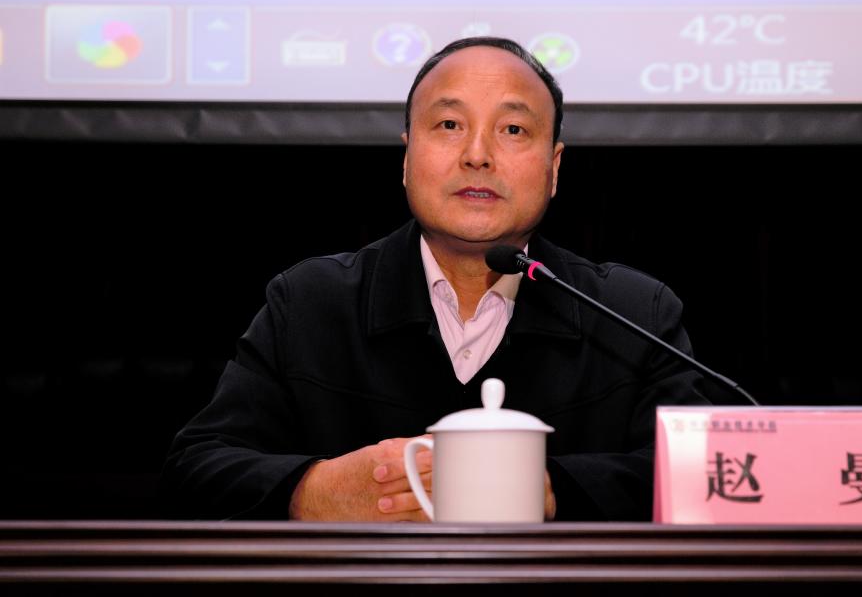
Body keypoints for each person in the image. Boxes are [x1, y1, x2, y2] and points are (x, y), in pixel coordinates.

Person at [161, 36, 721, 522]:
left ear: (554, 169)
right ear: (406, 157)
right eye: (450, 125)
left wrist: (547, 490)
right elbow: (196, 468)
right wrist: (312, 491)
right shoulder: (311, 303)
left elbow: (707, 476)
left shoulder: (631, 312)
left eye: (513, 129)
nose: (477, 155)